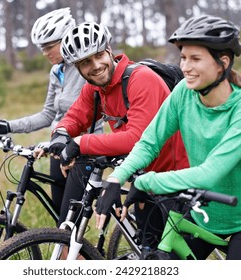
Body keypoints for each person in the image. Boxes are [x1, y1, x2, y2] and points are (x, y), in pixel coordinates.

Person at [95, 15, 241, 260]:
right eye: (183, 58)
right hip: (202, 214)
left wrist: (146, 182)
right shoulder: (183, 92)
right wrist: (117, 178)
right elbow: (150, 142)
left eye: (195, 59)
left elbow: (209, 173)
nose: (185, 67)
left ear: (222, 63)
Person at [47, 21, 189, 242]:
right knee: (149, 251)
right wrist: (61, 133)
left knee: (179, 255)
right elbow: (76, 116)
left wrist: (81, 143)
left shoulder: (141, 79)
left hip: (177, 177)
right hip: (144, 179)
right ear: (77, 68)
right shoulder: (95, 88)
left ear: (109, 50)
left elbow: (137, 138)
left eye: (99, 55)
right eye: (85, 62)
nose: (95, 65)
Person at [0, 8, 102, 215]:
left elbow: (85, 116)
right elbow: (49, 114)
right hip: (59, 148)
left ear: (67, 38)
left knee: (68, 222)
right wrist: (7, 126)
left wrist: (58, 144)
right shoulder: (56, 71)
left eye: (49, 46)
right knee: (60, 218)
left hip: (83, 150)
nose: (44, 53)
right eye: (42, 47)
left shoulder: (84, 69)